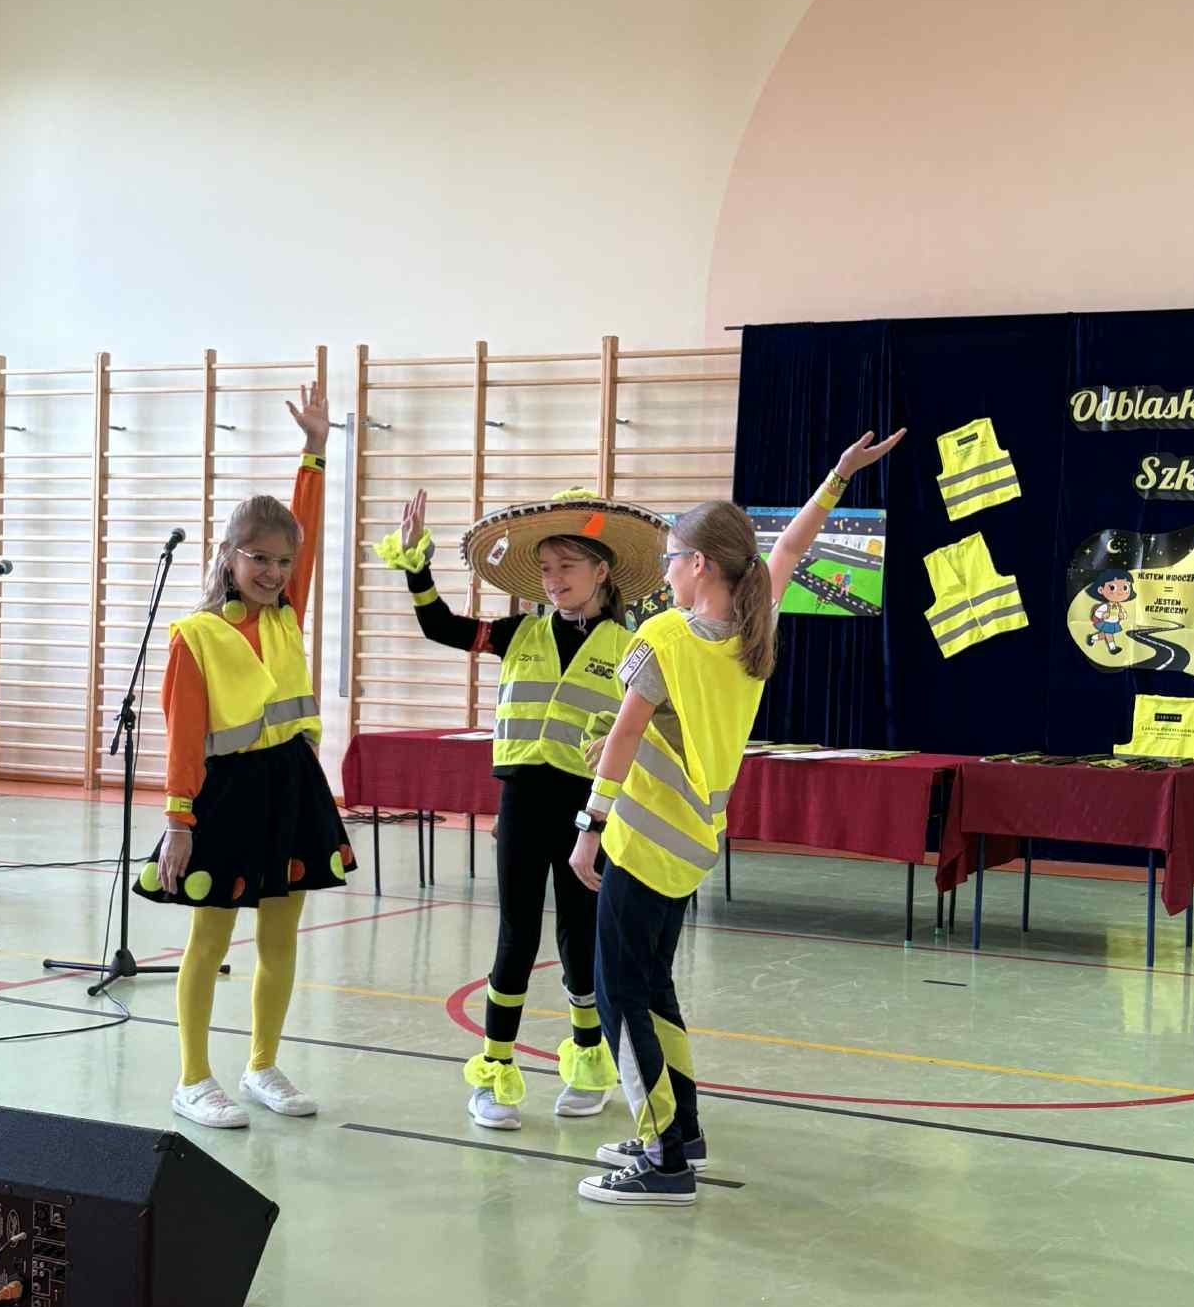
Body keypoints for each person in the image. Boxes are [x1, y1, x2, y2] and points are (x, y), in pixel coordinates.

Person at [568, 429, 906, 1206]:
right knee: (653, 985)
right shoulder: (757, 627)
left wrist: (590, 827)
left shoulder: (663, 637)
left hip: (642, 840)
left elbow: (622, 738)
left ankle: (664, 1162)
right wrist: (837, 476)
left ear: (700, 565)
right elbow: (789, 547)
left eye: (670, 560)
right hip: (693, 843)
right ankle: (681, 1129)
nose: (664, 573)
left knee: (620, 995)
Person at [385, 485, 666, 1130]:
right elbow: (440, 626)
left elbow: (648, 731)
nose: (553, 579)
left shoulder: (629, 648)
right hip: (521, 801)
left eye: (566, 566)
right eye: (545, 568)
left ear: (601, 571)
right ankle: (494, 1073)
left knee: (579, 939)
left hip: (588, 810)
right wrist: (416, 567)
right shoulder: (518, 633)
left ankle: (589, 1062)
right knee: (516, 936)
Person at [135, 380, 355, 1130]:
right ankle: (193, 1077)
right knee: (210, 938)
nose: (273, 572)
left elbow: (307, 528)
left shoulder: (288, 612)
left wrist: (315, 451)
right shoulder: (195, 637)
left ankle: (262, 1063)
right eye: (259, 558)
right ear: (228, 556)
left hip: (292, 785)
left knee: (281, 936)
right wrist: (179, 822)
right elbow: (182, 738)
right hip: (224, 795)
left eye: (284, 562)